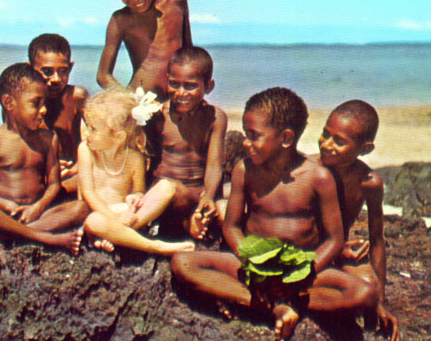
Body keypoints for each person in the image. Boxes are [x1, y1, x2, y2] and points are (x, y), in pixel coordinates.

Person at [171, 88, 378, 340]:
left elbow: (334, 240)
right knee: (182, 262)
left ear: (286, 138)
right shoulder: (244, 170)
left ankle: (265, 301)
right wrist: (253, 264)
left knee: (364, 294)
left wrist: (304, 273)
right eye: (246, 134)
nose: (245, 143)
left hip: (301, 266)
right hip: (254, 262)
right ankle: (279, 306)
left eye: (253, 136)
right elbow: (232, 227)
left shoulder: (319, 177)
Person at [0, 63, 87, 254]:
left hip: (35, 215)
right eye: (36, 103)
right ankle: (43, 237)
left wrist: (37, 206)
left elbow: (54, 185)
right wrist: (5, 204)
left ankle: (9, 234)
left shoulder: (48, 139)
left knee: (80, 208)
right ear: (9, 103)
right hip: (3, 214)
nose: (43, 110)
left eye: (44, 103)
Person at [316, 100, 400, 340]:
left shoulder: (369, 183)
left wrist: (381, 299)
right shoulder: (309, 168)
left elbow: (376, 241)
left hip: (338, 253)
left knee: (369, 298)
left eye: (339, 141)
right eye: (325, 134)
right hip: (309, 250)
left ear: (365, 149)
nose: (327, 145)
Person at [79, 87, 195, 256]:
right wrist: (114, 218)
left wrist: (135, 198)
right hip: (100, 214)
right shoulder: (85, 150)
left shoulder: (134, 159)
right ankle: (154, 246)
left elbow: (138, 191)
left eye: (93, 129)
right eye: (88, 126)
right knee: (93, 221)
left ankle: (118, 236)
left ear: (119, 137)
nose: (86, 133)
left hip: (127, 216)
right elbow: (88, 193)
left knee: (166, 187)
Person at [144, 46, 227, 240]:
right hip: (168, 194)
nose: (181, 93)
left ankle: (193, 221)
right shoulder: (157, 114)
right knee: (173, 190)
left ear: (208, 86)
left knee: (225, 210)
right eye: (174, 84)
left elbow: (214, 165)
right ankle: (185, 223)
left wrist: (208, 197)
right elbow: (145, 158)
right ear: (167, 80)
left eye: (190, 86)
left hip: (198, 193)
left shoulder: (215, 117)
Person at [97, 0, 192, 101]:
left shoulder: (177, 1)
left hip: (177, 99)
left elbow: (189, 53)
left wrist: (194, 90)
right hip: (140, 101)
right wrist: (129, 101)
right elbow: (103, 75)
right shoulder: (120, 20)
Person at [28, 34, 89, 194]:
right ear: (30, 68)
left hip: (72, 173)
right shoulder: (22, 103)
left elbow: (99, 141)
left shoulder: (77, 97)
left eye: (63, 71)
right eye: (47, 71)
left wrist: (77, 167)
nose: (56, 79)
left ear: (71, 67)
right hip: (38, 175)